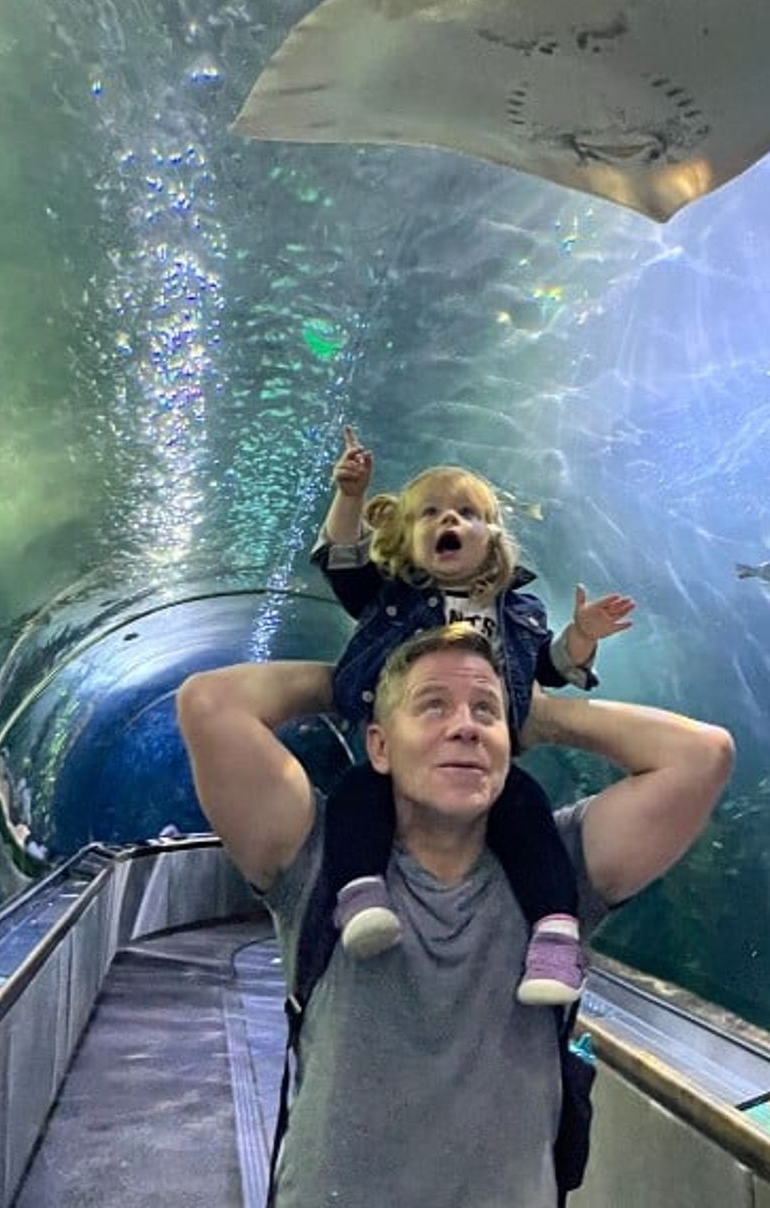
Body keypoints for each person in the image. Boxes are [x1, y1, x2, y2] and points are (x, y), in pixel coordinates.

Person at [177, 622, 734, 1208]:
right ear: (380, 747)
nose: (465, 727)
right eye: (433, 706)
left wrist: (541, 715)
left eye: (486, 711)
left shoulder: (560, 868)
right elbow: (210, 704)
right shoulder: (318, 860)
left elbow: (703, 756)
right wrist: (353, 682)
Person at [229, 426, 640, 1006]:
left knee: (528, 816)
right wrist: (350, 495)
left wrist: (582, 636)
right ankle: (361, 896)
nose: (450, 520)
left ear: (492, 537)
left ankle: (554, 936)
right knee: (357, 798)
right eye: (430, 513)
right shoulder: (392, 594)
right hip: (401, 751)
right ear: (405, 537)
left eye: (467, 513)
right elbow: (343, 564)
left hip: (482, 760)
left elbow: (548, 668)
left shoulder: (517, 611)